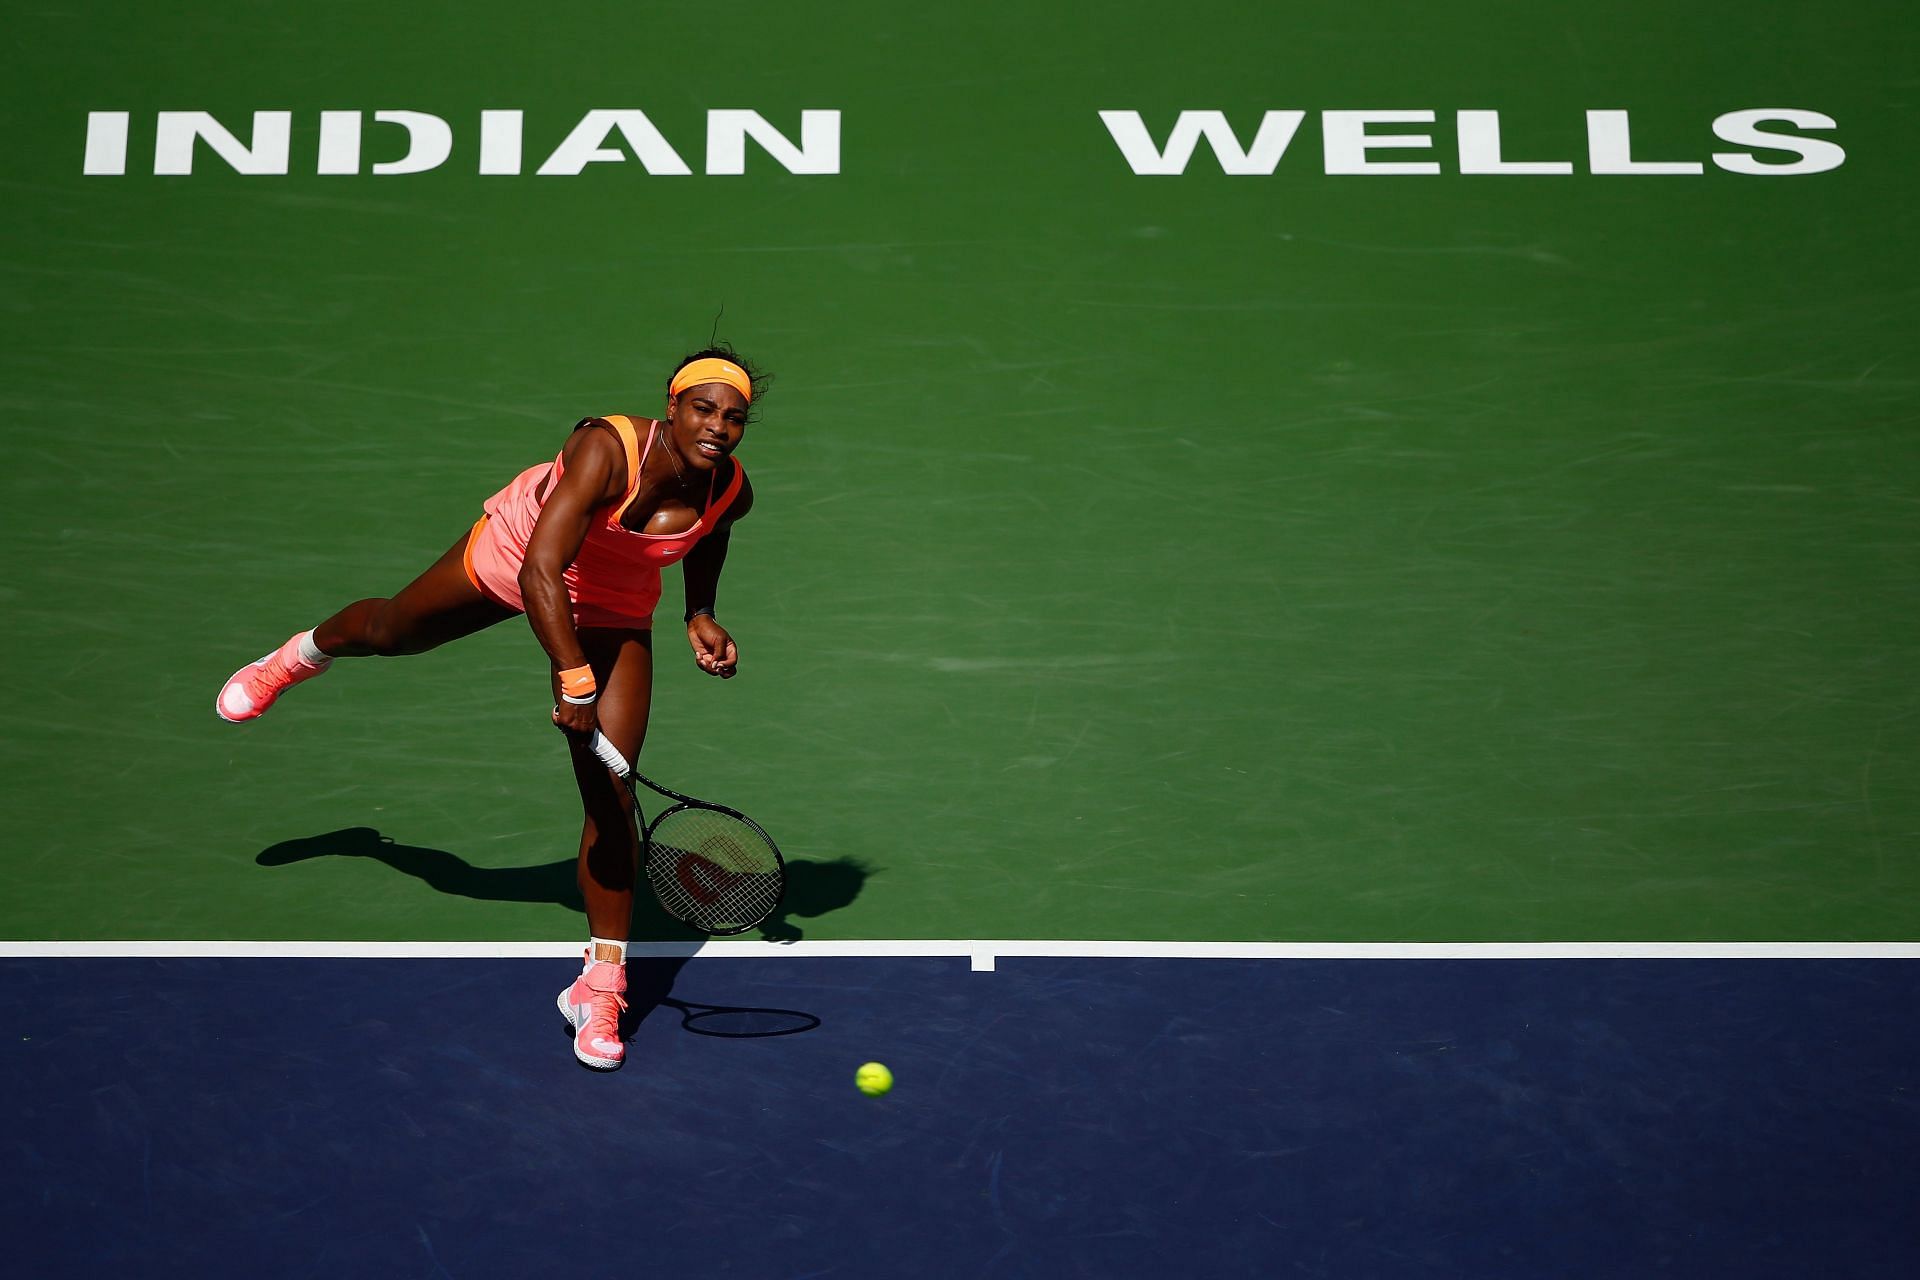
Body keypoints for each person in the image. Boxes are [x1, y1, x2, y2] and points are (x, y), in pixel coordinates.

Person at [216, 347, 764, 1071]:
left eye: (734, 417)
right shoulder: (605, 447)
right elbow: (543, 567)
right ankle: (300, 654)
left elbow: (711, 535)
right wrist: (573, 680)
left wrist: (699, 612)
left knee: (611, 788)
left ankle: (599, 985)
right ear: (672, 405)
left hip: (615, 603)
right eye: (704, 408)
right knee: (393, 632)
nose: (718, 426)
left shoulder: (732, 491)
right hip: (524, 557)